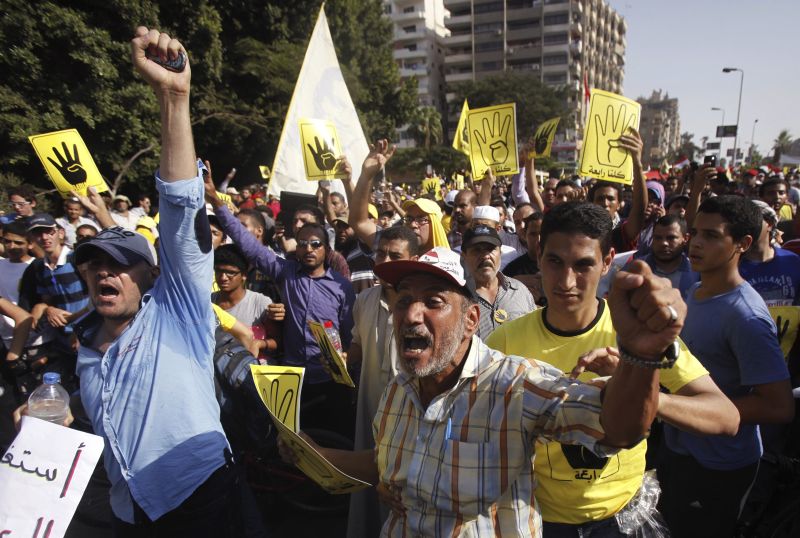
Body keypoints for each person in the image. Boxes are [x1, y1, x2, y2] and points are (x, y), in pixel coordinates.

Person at [282, 242, 688, 537]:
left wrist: (640, 358)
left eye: (433, 301)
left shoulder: (514, 384)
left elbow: (618, 429)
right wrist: (310, 452)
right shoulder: (396, 392)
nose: (410, 313)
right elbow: (383, 461)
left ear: (471, 319)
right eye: (403, 299)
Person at [15, 27, 243, 536]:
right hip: (130, 513)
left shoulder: (177, 312)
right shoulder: (88, 348)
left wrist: (175, 98)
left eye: (118, 263)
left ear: (152, 276)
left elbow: (183, 209)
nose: (103, 271)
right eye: (93, 264)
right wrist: (56, 425)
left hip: (201, 502)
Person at [486, 201, 738, 536]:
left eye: (583, 265)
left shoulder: (638, 334)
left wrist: (636, 395)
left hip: (621, 520)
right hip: (538, 520)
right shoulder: (504, 342)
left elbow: (725, 416)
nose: (566, 281)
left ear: (607, 262)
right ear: (538, 255)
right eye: (555, 262)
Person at [659, 195, 795, 538]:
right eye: (695, 232)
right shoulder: (695, 289)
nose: (697, 243)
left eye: (712, 235)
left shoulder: (745, 316)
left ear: (743, 243)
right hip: (679, 452)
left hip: (718, 465)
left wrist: (701, 411)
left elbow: (779, 406)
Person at [207, 187, 357, 437]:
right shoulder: (285, 273)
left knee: (333, 441)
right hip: (292, 379)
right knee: (293, 445)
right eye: (302, 243)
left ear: (326, 250)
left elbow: (350, 337)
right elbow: (247, 244)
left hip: (330, 382)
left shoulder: (341, 287)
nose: (308, 248)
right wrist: (215, 200)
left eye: (315, 244)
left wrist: (350, 374)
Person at [345, 225, 419, 538]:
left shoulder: (421, 305)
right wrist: (339, 359)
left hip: (409, 420)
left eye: (395, 255)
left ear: (413, 259)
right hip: (370, 409)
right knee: (368, 492)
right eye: (380, 253)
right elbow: (358, 346)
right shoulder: (364, 299)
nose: (384, 261)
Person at [461, 225, 535, 338]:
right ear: (464, 257)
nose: (485, 256)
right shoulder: (457, 298)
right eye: (477, 250)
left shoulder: (519, 291)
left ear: (500, 253)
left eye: (491, 249)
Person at [211, 244, 278, 357]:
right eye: (219, 271)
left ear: (244, 275)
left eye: (230, 273)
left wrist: (259, 344)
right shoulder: (209, 302)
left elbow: (278, 343)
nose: (223, 277)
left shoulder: (260, 302)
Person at [642, 214, 699, 299]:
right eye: (658, 238)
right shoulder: (635, 269)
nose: (664, 243)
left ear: (686, 238)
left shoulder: (698, 274)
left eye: (671, 238)